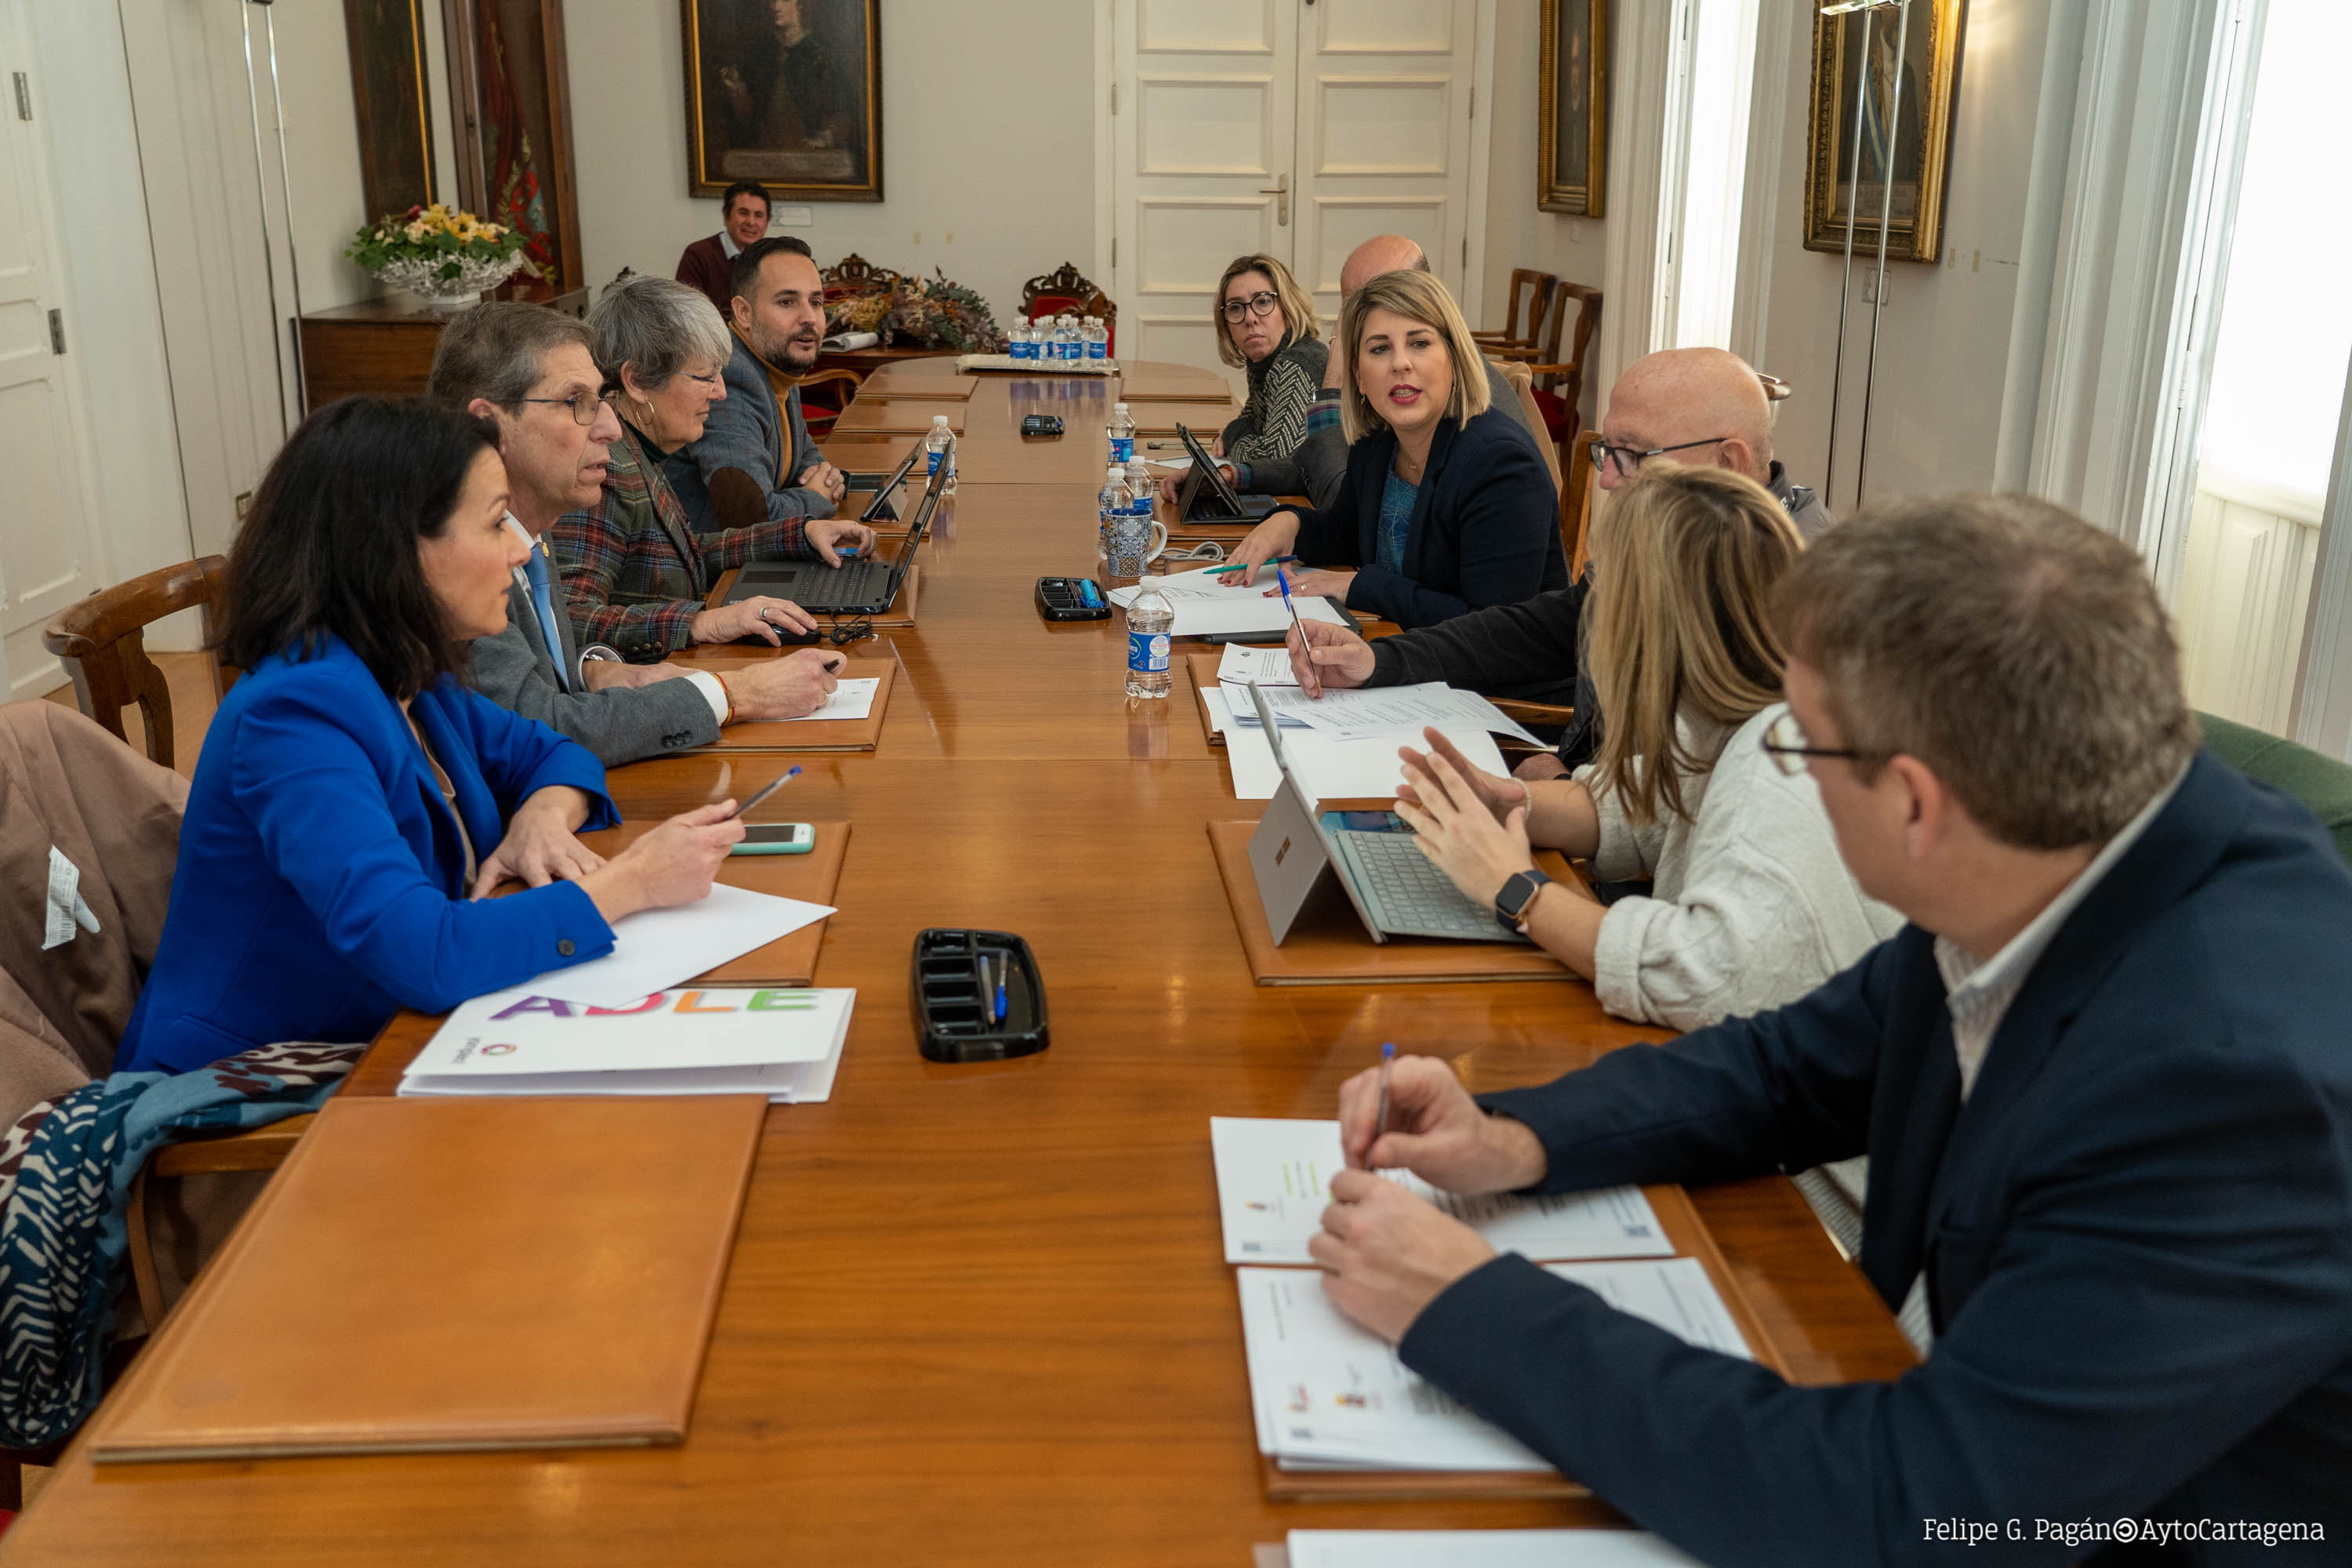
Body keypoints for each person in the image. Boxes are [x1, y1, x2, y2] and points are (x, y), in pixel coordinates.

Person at [1309, 493, 2352, 1565]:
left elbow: (1917, 1509)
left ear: (1913, 803)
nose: (1789, 775)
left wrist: (1465, 1307)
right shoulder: (2070, 843)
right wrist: (1512, 1135)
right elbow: (1790, 1066)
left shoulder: (2230, 1091)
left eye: (1804, 746)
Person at [117, 398, 746, 1076]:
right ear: (395, 549)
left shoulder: (409, 672)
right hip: (258, 1082)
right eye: (494, 521)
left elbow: (556, 753)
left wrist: (542, 817)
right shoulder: (297, 715)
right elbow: (425, 954)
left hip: (396, 1036)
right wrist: (636, 883)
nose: (521, 547)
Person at [1392, 465, 1900, 1029]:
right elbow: (1640, 811)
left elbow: (1703, 979)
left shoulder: (1782, 761)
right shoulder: (1748, 714)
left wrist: (1516, 889)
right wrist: (1507, 803)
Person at [1287, 347, 1832, 774]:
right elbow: (1541, 628)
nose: (1609, 478)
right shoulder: (1684, 536)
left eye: (1633, 456)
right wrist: (1379, 662)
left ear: (1729, 461)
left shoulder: (1788, 606)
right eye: (1606, 451)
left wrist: (1569, 784)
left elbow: (1687, 797)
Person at [426, 303, 845, 765]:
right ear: (491, 424)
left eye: (599, 400)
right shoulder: (458, 560)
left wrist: (594, 671)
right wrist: (736, 692)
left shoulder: (531, 526)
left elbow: (543, 676)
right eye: (576, 403)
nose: (608, 426)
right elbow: (534, 732)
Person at [1221, 269, 1565, 630]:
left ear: (1454, 357)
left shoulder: (1501, 464)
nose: (1401, 363)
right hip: (1408, 652)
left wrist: (1357, 586)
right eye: (1380, 348)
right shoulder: (1378, 442)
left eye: (1419, 343)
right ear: (1358, 375)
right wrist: (1289, 523)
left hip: (1496, 684)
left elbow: (1492, 629)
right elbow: (1347, 531)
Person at [551, 274, 842, 660]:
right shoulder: (606, 470)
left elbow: (683, 555)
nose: (720, 392)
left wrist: (801, 535)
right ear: (637, 381)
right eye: (705, 376)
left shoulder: (641, 449)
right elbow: (569, 620)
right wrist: (699, 622)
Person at [1245, 235, 1538, 512]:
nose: (1400, 362)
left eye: (1419, 342)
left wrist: (1333, 382)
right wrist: (1238, 476)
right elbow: (1328, 476)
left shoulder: (1490, 451)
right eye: (1354, 307)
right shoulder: (1391, 410)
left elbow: (1339, 501)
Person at [670, 234, 869, 543]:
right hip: (714, 578)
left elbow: (807, 459)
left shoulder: (777, 362)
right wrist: (816, 497)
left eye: (816, 302)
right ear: (744, 313)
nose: (808, 318)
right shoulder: (729, 378)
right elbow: (754, 518)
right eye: (787, 302)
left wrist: (824, 478)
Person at [1157, 254, 1326, 506]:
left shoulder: (1296, 363)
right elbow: (1252, 421)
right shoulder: (1265, 361)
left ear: (1288, 308)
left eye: (1263, 302)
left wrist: (1234, 436)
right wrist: (1241, 431)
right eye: (1236, 307)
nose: (1250, 318)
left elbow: (1272, 458)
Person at [675, 180, 771, 314]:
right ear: (726, 216)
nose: (751, 222)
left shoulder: (772, 259)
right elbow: (687, 313)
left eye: (759, 215)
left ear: (767, 222)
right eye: (743, 213)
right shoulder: (698, 255)